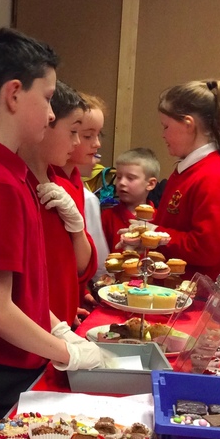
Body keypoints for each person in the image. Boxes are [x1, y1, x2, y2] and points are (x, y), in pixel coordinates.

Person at [0, 28, 107, 420]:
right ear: (13, 94)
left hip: (24, 354)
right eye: (47, 99)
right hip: (10, 364)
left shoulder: (14, 176)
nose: (51, 114)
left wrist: (57, 330)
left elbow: (23, 289)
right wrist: (64, 349)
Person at [152, 79, 220, 294]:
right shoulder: (189, 169)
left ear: (188, 124)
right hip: (180, 294)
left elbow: (207, 249)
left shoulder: (213, 177)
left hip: (197, 302)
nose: (163, 135)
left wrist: (155, 234)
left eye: (166, 126)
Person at [20, 80, 95, 326]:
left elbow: (83, 265)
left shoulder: (61, 187)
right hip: (36, 336)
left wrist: (76, 229)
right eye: (73, 131)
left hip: (59, 326)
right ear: (44, 126)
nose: (76, 143)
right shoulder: (19, 187)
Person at [66, 92, 110, 280]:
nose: (97, 144)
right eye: (88, 136)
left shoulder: (78, 186)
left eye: (98, 135)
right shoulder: (58, 187)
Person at [100, 148, 159, 252]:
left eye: (130, 178)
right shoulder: (107, 217)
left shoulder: (160, 218)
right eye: (118, 177)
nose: (122, 182)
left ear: (150, 184)